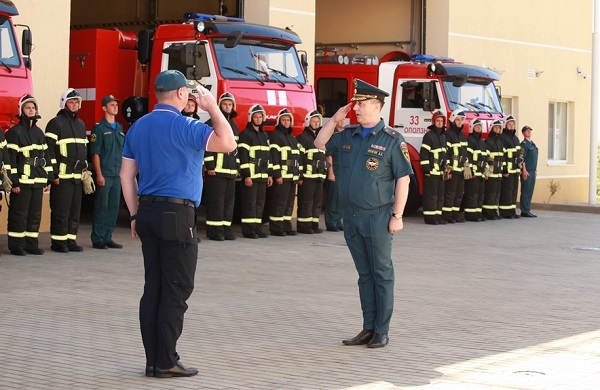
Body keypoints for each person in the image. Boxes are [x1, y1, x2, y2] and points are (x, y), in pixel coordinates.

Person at [120, 70, 236, 378]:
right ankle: (166, 360)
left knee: (153, 288)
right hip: (177, 216)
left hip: (146, 212)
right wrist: (212, 108)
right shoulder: (188, 126)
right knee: (176, 290)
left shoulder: (137, 127)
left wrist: (133, 214)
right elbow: (228, 144)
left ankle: (152, 360)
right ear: (182, 94)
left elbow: (125, 176)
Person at [314, 79, 413, 348]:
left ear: (377, 106)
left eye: (363, 104)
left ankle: (382, 330)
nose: (356, 108)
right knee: (364, 274)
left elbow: (403, 179)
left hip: (378, 216)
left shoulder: (392, 139)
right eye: (356, 104)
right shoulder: (349, 134)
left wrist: (398, 216)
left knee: (381, 272)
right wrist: (335, 119)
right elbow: (319, 142)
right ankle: (368, 327)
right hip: (352, 216)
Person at [5, 95, 52, 256]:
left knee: (34, 215)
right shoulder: (14, 133)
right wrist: (14, 182)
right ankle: (17, 246)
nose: (31, 110)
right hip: (22, 182)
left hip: (38, 180)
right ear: (21, 111)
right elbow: (10, 160)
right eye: (28, 108)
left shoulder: (39, 132)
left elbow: (45, 157)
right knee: (19, 214)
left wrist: (48, 178)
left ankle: (31, 245)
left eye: (33, 107)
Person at [45, 88, 88, 253]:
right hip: (61, 177)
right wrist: (53, 174)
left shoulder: (81, 124)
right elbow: (49, 151)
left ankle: (71, 240)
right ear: (64, 104)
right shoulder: (55, 123)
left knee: (75, 211)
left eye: (77, 102)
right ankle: (58, 243)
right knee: (61, 211)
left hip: (77, 176)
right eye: (71, 102)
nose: (75, 105)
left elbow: (83, 150)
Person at [90, 95, 125, 249]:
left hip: (117, 174)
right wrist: (99, 174)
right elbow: (95, 153)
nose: (115, 107)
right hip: (105, 173)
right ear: (104, 108)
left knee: (113, 207)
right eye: (111, 105)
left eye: (116, 105)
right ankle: (98, 238)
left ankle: (108, 236)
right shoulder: (99, 128)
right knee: (101, 206)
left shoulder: (120, 128)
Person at [203, 92, 239, 240]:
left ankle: (226, 229)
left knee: (228, 203)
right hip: (216, 172)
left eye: (230, 104)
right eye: (225, 104)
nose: (227, 107)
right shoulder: (212, 123)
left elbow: (236, 149)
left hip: (230, 171)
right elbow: (207, 146)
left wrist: (237, 168)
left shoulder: (234, 126)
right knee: (216, 202)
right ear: (219, 105)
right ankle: (214, 231)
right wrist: (210, 166)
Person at [238, 104, 272, 239]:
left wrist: (269, 174)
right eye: (255, 117)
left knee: (259, 204)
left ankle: (258, 229)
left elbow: (268, 157)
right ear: (251, 118)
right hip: (251, 176)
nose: (258, 119)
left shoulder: (264, 135)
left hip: (263, 176)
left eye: (260, 117)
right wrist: (247, 176)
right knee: (249, 203)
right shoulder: (245, 135)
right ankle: (248, 230)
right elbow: (243, 157)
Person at [268, 108, 301, 236]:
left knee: (289, 203)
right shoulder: (276, 136)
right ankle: (276, 228)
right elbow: (274, 156)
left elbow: (295, 159)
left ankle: (286, 226)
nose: (286, 122)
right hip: (281, 176)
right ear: (279, 121)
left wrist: (296, 175)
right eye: (284, 120)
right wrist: (277, 175)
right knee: (279, 203)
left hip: (291, 177)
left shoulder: (292, 138)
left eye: (288, 120)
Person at [296, 110, 327, 234]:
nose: (316, 123)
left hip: (319, 177)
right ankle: (304, 226)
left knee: (317, 202)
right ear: (308, 121)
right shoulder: (302, 138)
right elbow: (299, 158)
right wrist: (300, 175)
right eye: (314, 121)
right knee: (306, 202)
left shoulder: (321, 138)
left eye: (318, 121)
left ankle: (314, 225)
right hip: (307, 177)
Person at [419, 111, 447, 225]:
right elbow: (424, 153)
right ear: (434, 122)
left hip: (441, 173)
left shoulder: (443, 136)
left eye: (441, 121)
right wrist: (426, 169)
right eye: (438, 121)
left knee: (440, 195)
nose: (440, 123)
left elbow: (445, 154)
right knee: (431, 195)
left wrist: (447, 169)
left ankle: (438, 216)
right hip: (431, 172)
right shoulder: (429, 136)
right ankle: (430, 218)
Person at [442, 109, 468, 223]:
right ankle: (447, 215)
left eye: (462, 120)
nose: (460, 122)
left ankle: (455, 214)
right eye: (458, 120)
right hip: (452, 170)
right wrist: (448, 169)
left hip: (461, 170)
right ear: (453, 120)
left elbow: (465, 153)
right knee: (450, 193)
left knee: (458, 194)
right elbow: (446, 152)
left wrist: (467, 167)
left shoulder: (462, 135)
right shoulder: (448, 134)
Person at [463, 119, 488, 222]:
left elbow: (486, 159)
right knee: (472, 195)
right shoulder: (470, 141)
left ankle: (478, 213)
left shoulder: (482, 143)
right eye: (476, 127)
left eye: (480, 127)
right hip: (473, 174)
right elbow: (467, 157)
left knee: (480, 194)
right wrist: (470, 171)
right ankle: (470, 214)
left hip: (481, 174)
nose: (478, 128)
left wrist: (487, 172)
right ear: (471, 128)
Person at [324, 118, 345, 232]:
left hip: (343, 172)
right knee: (334, 198)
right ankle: (331, 222)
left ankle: (338, 220)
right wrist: (330, 172)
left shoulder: (344, 136)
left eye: (344, 120)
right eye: (340, 120)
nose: (343, 122)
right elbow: (328, 156)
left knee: (341, 198)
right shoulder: (333, 136)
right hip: (335, 171)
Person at [499, 115, 521, 219]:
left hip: (515, 170)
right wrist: (504, 169)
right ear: (505, 125)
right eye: (509, 124)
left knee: (513, 191)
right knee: (506, 191)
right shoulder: (503, 137)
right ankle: (505, 211)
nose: (512, 126)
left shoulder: (515, 138)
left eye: (513, 124)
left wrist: (520, 168)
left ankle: (512, 210)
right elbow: (502, 155)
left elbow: (519, 154)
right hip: (507, 170)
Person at [482, 119, 505, 220]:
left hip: (498, 173)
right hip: (491, 174)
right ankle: (488, 212)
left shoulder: (500, 142)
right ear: (491, 129)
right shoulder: (488, 141)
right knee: (490, 193)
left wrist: (504, 170)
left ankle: (494, 211)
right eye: (495, 128)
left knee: (496, 194)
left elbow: (502, 158)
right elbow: (486, 158)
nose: (497, 129)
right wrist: (486, 172)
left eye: (499, 128)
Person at [520, 125, 538, 217]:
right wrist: (524, 170)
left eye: (530, 131)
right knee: (525, 191)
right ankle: (524, 210)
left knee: (530, 191)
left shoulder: (532, 144)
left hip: (533, 170)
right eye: (527, 131)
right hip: (527, 171)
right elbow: (522, 158)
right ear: (523, 133)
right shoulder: (523, 145)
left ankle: (527, 209)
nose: (529, 132)